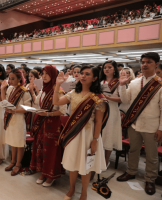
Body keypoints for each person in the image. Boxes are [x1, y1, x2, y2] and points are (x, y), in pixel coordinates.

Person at [53, 65, 109, 200]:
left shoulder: (98, 98)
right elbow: (56, 101)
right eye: (82, 73)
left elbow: (98, 122)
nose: (83, 76)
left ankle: (84, 192)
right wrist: (57, 85)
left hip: (89, 135)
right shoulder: (73, 93)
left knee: (86, 165)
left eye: (87, 74)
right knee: (73, 164)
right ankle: (72, 189)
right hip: (74, 133)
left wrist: (95, 140)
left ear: (95, 78)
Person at [117, 52, 162, 196]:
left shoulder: (160, 84)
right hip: (134, 123)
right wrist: (122, 86)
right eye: (143, 62)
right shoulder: (135, 82)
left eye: (149, 62)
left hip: (152, 126)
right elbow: (125, 100)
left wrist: (161, 128)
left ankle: (150, 179)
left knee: (151, 155)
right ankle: (131, 172)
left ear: (156, 64)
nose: (144, 64)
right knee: (133, 150)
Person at [29, 65, 67, 187]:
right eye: (42, 74)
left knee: (51, 150)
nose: (44, 76)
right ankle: (43, 172)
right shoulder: (43, 90)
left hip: (53, 124)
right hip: (42, 123)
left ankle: (51, 175)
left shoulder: (59, 91)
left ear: (54, 76)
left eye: (47, 74)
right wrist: (33, 92)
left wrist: (47, 113)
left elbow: (63, 111)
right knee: (40, 147)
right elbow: (37, 103)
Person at [1, 68, 32, 176]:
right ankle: (12, 162)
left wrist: (14, 110)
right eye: (9, 78)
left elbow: (27, 108)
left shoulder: (24, 92)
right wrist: (2, 90)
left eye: (13, 78)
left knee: (19, 143)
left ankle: (18, 164)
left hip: (19, 119)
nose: (10, 81)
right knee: (13, 142)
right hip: (11, 118)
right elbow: (5, 101)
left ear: (20, 78)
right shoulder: (10, 89)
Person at [99, 60, 122, 167]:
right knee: (99, 134)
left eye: (109, 67)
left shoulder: (119, 82)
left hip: (112, 111)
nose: (107, 69)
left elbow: (122, 99)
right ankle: (97, 159)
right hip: (100, 109)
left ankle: (106, 161)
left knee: (109, 135)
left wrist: (107, 97)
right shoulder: (100, 82)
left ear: (114, 69)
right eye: (105, 68)